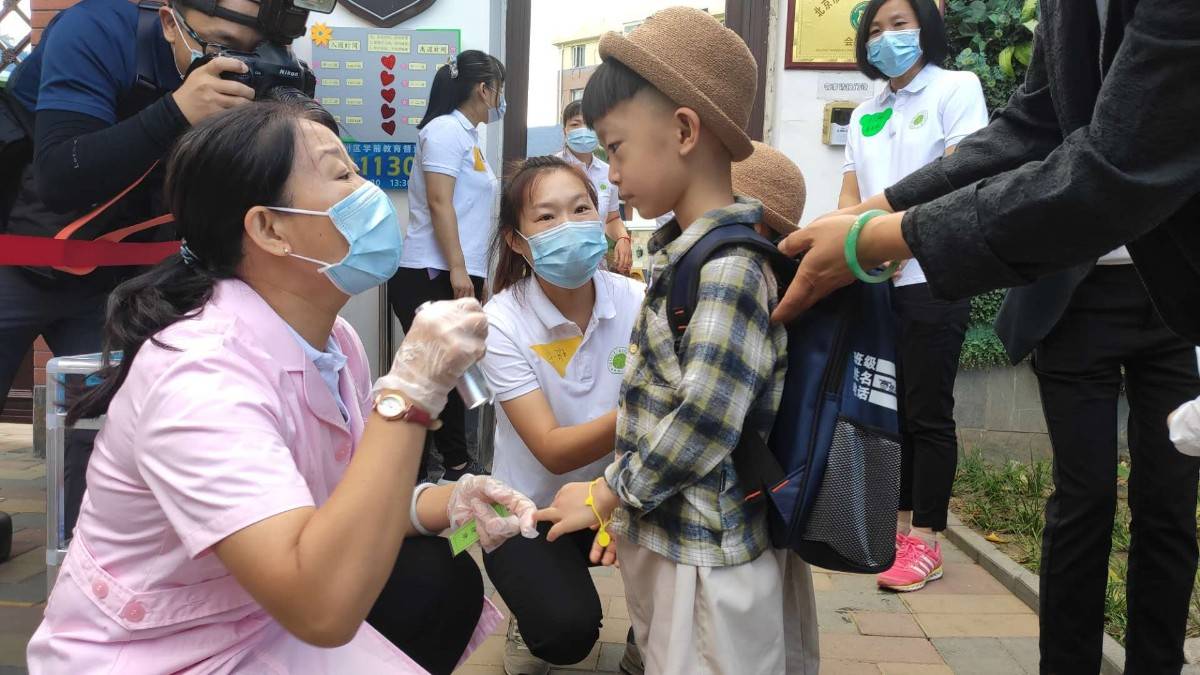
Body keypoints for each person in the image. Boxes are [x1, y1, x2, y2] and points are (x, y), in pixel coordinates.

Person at [26, 100, 540, 675]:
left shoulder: (335, 340)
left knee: (436, 571)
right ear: (269, 228)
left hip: (258, 616)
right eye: (342, 174)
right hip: (160, 650)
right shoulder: (199, 376)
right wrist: (411, 393)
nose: (368, 193)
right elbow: (320, 608)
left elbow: (339, 503)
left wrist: (451, 503)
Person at [775, 1, 1200, 671]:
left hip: (1175, 296)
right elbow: (1029, 128)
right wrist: (876, 210)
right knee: (1083, 498)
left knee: (1171, 506)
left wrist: (889, 235)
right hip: (1074, 298)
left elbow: (1111, 162)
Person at [536, 9, 818, 674]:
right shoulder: (687, 258)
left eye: (616, 147)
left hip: (707, 554)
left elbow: (705, 416)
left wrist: (609, 492)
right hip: (677, 540)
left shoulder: (731, 268)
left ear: (684, 130)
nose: (611, 173)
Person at [0, 0, 261, 534]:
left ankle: (87, 563)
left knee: (101, 428)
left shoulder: (256, 64)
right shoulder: (94, 28)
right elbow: (60, 174)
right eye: (216, 43)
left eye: (246, 51)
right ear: (170, 20)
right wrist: (177, 111)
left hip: (119, 275)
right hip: (16, 253)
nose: (230, 60)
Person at [839, 0, 987, 593]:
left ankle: (926, 539)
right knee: (888, 411)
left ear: (926, 25)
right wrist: (849, 252)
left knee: (928, 412)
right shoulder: (864, 112)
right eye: (874, 29)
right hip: (874, 279)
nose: (886, 38)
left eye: (898, 24)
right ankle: (896, 532)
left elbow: (962, 173)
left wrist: (902, 238)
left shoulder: (956, 87)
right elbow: (849, 196)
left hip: (933, 273)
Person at [479, 155, 645, 675]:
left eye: (581, 209)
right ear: (515, 240)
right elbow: (550, 448)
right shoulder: (501, 320)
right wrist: (658, 411)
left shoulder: (640, 301)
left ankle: (651, 632)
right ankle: (529, 617)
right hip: (530, 506)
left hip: (628, 495)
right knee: (564, 631)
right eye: (546, 217)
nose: (568, 226)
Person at [389, 49, 505, 483]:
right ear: (483, 88)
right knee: (435, 374)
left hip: (455, 270)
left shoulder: (468, 136)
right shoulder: (443, 131)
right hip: (430, 271)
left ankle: (437, 467)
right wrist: (459, 271)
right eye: (499, 89)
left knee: (450, 372)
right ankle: (440, 467)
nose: (500, 98)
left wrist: (474, 274)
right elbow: (440, 204)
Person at [556, 100, 633, 276]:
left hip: (597, 266)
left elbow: (611, 218)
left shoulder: (608, 171)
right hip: (560, 265)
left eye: (589, 124)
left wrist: (622, 238)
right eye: (575, 124)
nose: (583, 130)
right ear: (564, 131)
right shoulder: (551, 169)